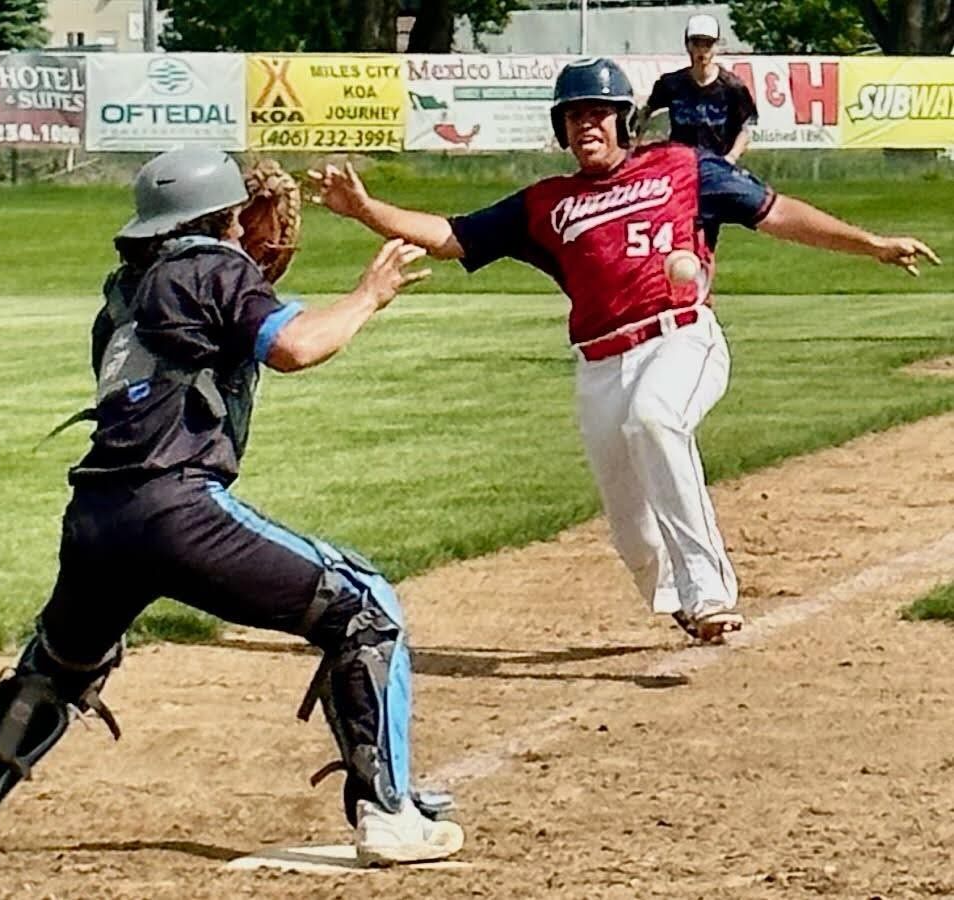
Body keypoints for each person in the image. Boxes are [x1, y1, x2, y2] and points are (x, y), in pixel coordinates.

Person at [0, 148, 464, 866]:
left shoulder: (121, 295)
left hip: (95, 518)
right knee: (365, 606)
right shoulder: (214, 265)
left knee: (59, 663)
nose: (246, 230)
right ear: (219, 219)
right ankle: (388, 813)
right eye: (237, 216)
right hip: (179, 509)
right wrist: (369, 295)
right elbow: (295, 347)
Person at [310, 58, 940, 644]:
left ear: (624, 120)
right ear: (561, 129)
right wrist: (367, 210)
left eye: (598, 111)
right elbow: (453, 235)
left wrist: (872, 244)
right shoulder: (546, 203)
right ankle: (678, 600)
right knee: (632, 533)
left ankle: (711, 592)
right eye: (574, 115)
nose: (587, 123)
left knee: (656, 418)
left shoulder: (683, 168)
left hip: (681, 338)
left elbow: (777, 213)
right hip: (598, 365)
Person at [642, 14, 757, 165]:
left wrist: (731, 157)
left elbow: (744, 130)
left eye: (708, 44)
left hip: (718, 166)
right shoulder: (669, 84)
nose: (702, 50)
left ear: (716, 46)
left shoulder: (733, 88)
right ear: (687, 45)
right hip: (679, 165)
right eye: (696, 43)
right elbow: (647, 117)